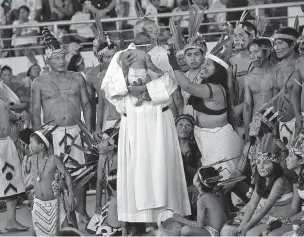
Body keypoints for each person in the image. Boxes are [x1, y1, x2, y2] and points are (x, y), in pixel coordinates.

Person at [101, 15, 191, 234]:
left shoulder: (162, 54)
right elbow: (109, 85)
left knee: (162, 164)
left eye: (155, 31)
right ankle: (137, 222)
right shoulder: (121, 56)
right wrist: (126, 80)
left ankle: (168, 218)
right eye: (149, 31)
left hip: (159, 117)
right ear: (136, 31)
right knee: (137, 167)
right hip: (135, 119)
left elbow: (171, 82)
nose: (154, 35)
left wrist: (146, 90)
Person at [30, 27, 92, 224]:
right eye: (56, 58)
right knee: (56, 175)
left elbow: (87, 105)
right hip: (52, 134)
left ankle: (82, 212)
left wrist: (89, 132)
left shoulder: (77, 78)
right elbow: (34, 112)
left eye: (63, 57)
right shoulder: (38, 82)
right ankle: (63, 215)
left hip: (75, 131)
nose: (61, 61)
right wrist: (41, 138)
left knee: (80, 173)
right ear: (48, 60)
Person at [168, 35, 242, 181]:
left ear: (217, 71)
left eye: (208, 65)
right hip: (205, 137)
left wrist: (174, 65)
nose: (204, 67)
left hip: (220, 140)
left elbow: (187, 86)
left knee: (223, 181)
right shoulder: (207, 86)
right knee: (209, 181)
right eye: (205, 64)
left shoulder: (215, 89)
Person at [235, 135, 296, 236]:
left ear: (275, 165)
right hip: (270, 214)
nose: (261, 166)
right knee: (239, 226)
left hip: (282, 216)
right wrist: (243, 224)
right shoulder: (261, 179)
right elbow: (252, 204)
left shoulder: (280, 181)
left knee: (251, 234)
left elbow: (266, 207)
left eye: (266, 162)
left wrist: (247, 226)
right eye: (259, 162)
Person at [29, 126, 76, 236]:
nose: (29, 145)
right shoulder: (32, 159)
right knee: (36, 232)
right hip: (38, 204)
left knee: (65, 229)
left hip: (54, 203)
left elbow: (67, 175)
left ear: (41, 146)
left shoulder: (54, 159)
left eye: (31, 143)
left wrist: (70, 193)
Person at [0, 81, 28, 232]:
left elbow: (5, 111)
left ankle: (11, 221)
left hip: (6, 142)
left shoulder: (2, 89)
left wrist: (16, 117)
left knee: (12, 180)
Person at [85, 12, 120, 135]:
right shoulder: (92, 75)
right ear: (100, 58)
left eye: (114, 56)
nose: (112, 60)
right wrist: (96, 127)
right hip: (107, 120)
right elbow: (97, 104)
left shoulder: (123, 69)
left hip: (125, 117)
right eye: (108, 57)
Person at [173, 167, 228, 236]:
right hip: (224, 229)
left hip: (214, 233)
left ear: (198, 182)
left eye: (195, 176)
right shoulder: (217, 194)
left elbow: (200, 225)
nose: (193, 176)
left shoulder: (202, 199)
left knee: (185, 230)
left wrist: (180, 219)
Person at [267, 134, 304, 236]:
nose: (287, 158)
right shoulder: (298, 178)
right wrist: (284, 221)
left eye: (291, 155)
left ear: (302, 160)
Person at [243, 37, 278, 141]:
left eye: (256, 52)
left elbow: (281, 102)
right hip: (256, 127)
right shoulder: (248, 77)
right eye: (250, 52)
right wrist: (247, 132)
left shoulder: (277, 72)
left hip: (275, 125)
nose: (252, 56)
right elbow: (247, 106)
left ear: (267, 53)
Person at [228, 20, 257, 136]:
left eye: (241, 35)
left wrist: (240, 107)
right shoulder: (230, 61)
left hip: (255, 111)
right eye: (235, 35)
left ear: (252, 36)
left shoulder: (258, 60)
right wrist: (232, 108)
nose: (236, 39)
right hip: (234, 117)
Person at [121, 32, 164, 106]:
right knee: (149, 84)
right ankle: (145, 94)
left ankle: (138, 97)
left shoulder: (129, 52)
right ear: (147, 46)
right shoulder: (145, 55)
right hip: (141, 75)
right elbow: (150, 66)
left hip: (130, 75)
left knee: (133, 87)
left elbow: (122, 59)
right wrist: (158, 71)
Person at [273, 27, 300, 148]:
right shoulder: (277, 68)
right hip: (282, 123)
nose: (276, 48)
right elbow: (275, 98)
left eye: (280, 43)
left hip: (300, 122)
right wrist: (273, 124)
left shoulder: (301, 64)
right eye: (275, 44)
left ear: (293, 44)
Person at [175, 114, 201, 186]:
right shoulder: (170, 147)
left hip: (191, 187)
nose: (184, 128)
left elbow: (200, 174)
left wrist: (184, 166)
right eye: (180, 124)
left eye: (188, 125)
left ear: (192, 130)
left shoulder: (197, 149)